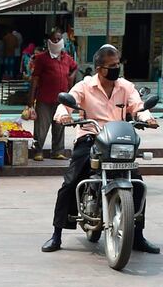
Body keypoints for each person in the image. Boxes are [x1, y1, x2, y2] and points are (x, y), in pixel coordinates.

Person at [42, 44, 159, 254]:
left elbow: (138, 107)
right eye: (112, 65)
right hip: (91, 136)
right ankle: (56, 234)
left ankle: (138, 236)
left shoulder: (125, 86)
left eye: (118, 64)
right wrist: (64, 115)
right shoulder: (84, 86)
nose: (117, 68)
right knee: (70, 182)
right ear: (99, 68)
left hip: (119, 139)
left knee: (138, 184)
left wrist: (147, 118)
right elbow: (66, 104)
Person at [27, 28, 78, 161]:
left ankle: (58, 151)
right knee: (41, 127)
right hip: (44, 98)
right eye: (54, 39)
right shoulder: (41, 58)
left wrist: (71, 78)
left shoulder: (67, 58)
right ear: (49, 41)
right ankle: (37, 151)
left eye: (58, 39)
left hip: (61, 100)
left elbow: (75, 68)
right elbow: (35, 78)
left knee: (59, 126)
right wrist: (30, 101)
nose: (56, 41)